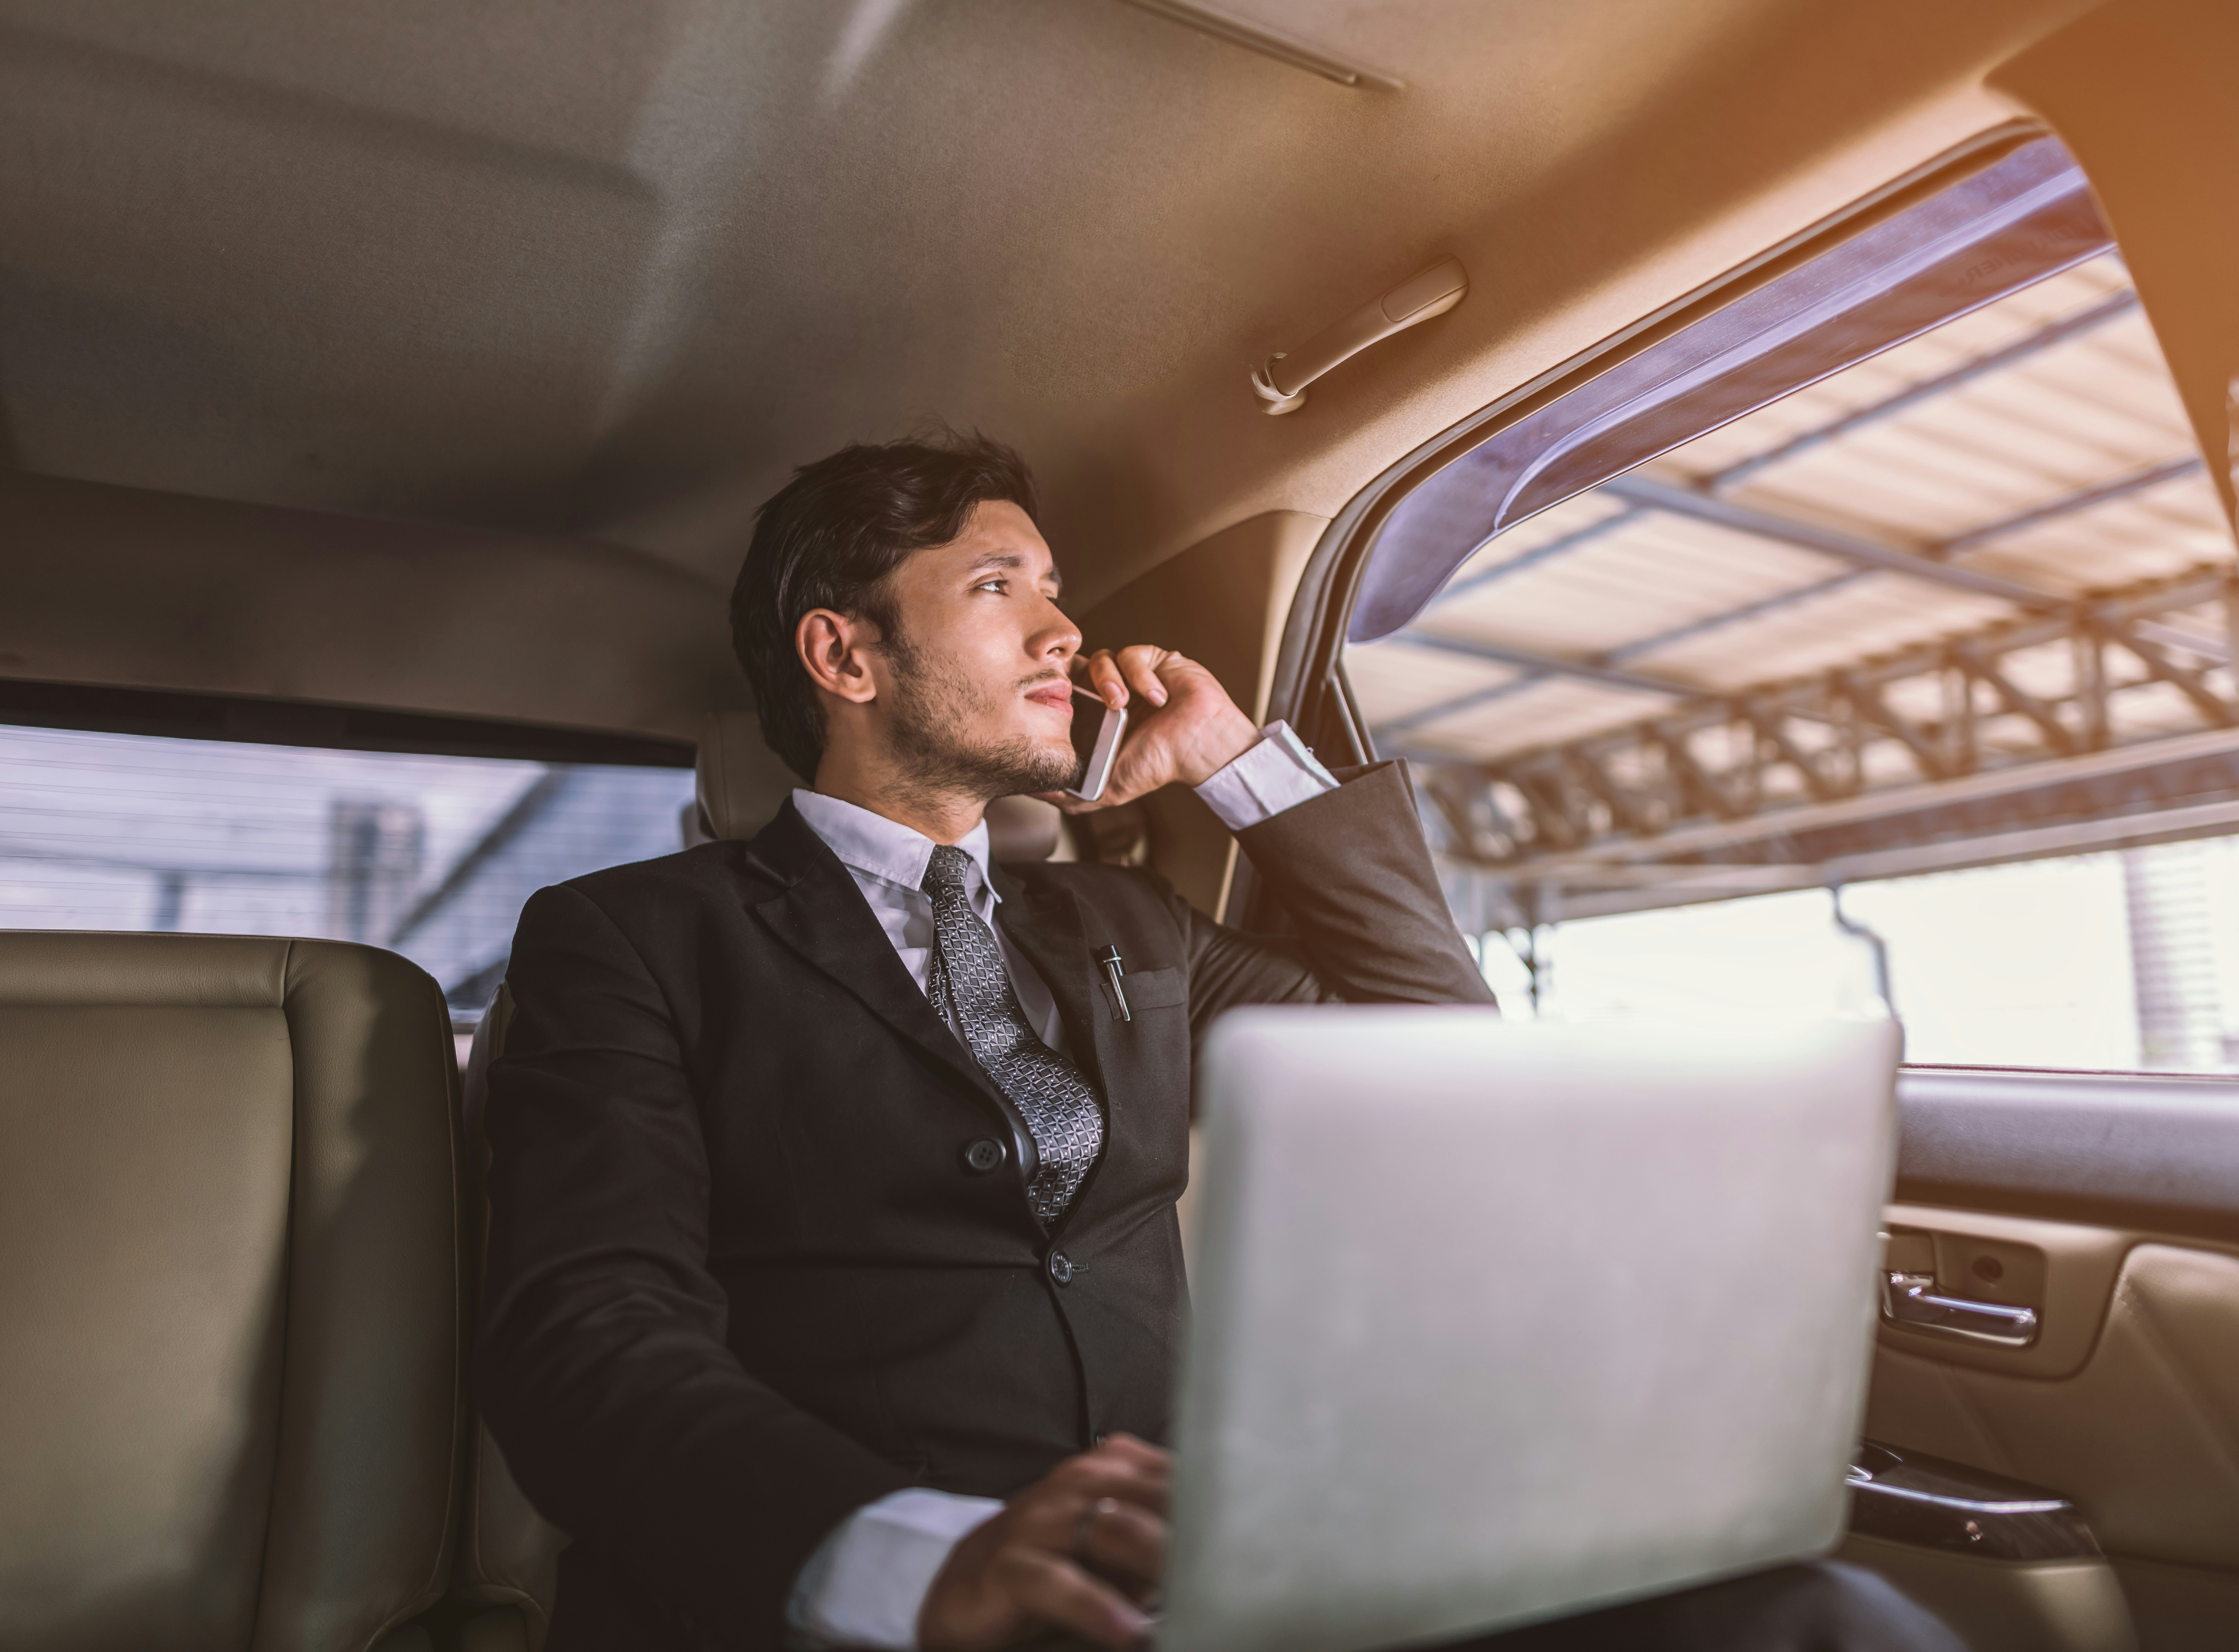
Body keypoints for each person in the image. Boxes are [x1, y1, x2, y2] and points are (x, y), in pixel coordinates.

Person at [475, 435, 1958, 1652]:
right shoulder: (631, 937)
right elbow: (588, 1335)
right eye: (1002, 588)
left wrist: (1246, 765)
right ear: (845, 657)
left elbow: (1437, 1059)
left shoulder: (1126, 923)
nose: (1067, 629)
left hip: (1207, 1582)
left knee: (1811, 1617)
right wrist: (923, 1561)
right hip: (873, 1597)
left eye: (1058, 588)